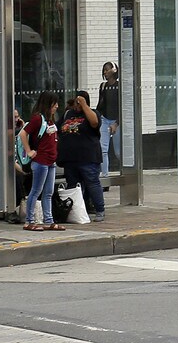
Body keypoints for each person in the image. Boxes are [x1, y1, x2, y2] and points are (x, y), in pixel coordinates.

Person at [60, 89, 105, 222]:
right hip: (70, 158)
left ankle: (99, 210)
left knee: (92, 183)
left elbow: (94, 123)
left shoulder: (93, 113)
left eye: (79, 103)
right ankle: (76, 211)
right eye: (76, 103)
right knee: (73, 185)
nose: (77, 106)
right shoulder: (68, 114)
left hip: (88, 157)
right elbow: (58, 128)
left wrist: (85, 106)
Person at [19, 92, 62, 231]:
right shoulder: (38, 118)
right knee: (36, 191)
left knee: (48, 192)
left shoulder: (50, 119)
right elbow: (23, 133)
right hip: (41, 161)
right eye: (54, 103)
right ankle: (29, 221)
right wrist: (30, 151)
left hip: (50, 161)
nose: (56, 106)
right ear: (48, 104)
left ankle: (49, 220)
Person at [97, 61, 122, 173]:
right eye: (104, 70)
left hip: (116, 121)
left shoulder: (119, 86)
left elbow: (122, 107)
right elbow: (100, 104)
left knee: (118, 152)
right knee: (103, 150)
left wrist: (116, 123)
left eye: (108, 69)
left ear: (114, 70)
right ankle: (105, 176)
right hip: (105, 119)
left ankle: (126, 171)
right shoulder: (103, 86)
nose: (105, 72)